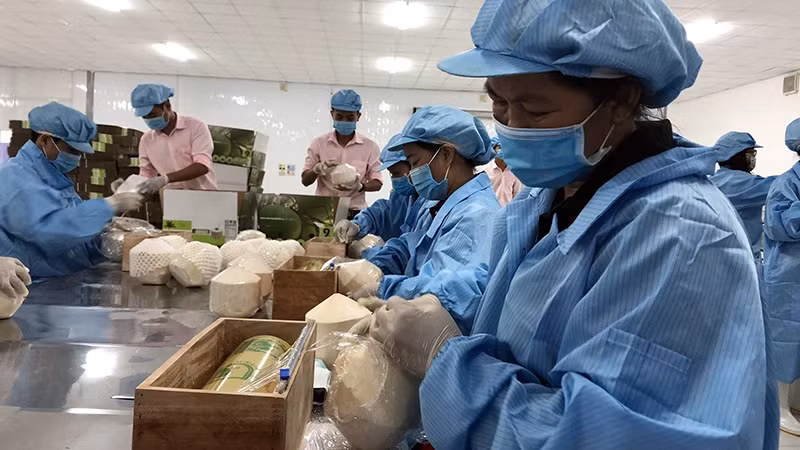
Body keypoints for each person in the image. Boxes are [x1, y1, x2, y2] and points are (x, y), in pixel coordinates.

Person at [353, 1, 777, 448]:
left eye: (535, 113)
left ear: (621, 101)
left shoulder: (681, 237)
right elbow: (508, 299)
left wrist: (445, 358)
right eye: (498, 104)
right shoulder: (550, 195)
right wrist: (421, 309)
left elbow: (602, 436)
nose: (512, 128)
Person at [352, 106, 501, 333]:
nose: (411, 174)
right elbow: (411, 247)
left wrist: (387, 290)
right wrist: (372, 267)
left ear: (446, 155)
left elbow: (452, 295)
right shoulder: (437, 203)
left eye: (413, 162)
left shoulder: (477, 215)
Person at [0, 102, 144, 278]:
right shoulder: (16, 177)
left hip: (60, 282)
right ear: (44, 140)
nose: (77, 158)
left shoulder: (54, 178)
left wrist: (107, 239)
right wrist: (108, 205)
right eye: (72, 150)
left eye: (79, 152)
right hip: (29, 287)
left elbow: (75, 234)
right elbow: (49, 231)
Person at [763, 118, 800, 434]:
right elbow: (782, 225)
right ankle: (780, 408)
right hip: (789, 277)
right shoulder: (786, 183)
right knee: (786, 340)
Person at [334, 134, 425, 251]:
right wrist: (357, 225)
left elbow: (413, 249)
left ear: (414, 166)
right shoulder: (402, 196)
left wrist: (379, 257)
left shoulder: (430, 202)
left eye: (396, 173)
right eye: (391, 174)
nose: (394, 179)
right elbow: (383, 214)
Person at [301, 89, 382, 216]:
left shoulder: (370, 147)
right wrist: (316, 170)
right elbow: (305, 181)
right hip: (324, 212)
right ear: (332, 114)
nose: (344, 121)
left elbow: (377, 183)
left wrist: (360, 186)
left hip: (355, 213)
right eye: (339, 116)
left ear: (358, 116)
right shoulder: (319, 143)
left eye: (350, 117)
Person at [126, 84, 217, 193]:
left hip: (204, 195)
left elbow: (202, 166)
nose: (149, 120)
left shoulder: (195, 127)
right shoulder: (147, 140)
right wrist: (126, 189)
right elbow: (146, 174)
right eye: (145, 117)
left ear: (167, 106)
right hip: (172, 198)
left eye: (152, 114)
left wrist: (165, 179)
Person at [709, 132, 776, 260]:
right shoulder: (740, 183)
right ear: (737, 156)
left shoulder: (714, 180)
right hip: (742, 258)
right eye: (751, 153)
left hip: (718, 256)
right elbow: (780, 186)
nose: (753, 157)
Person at [482, 136, 521, 206]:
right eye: (499, 147)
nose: (503, 150)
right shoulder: (486, 171)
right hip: (490, 210)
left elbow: (517, 196)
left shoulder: (514, 172)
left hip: (507, 212)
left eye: (506, 147)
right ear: (493, 149)